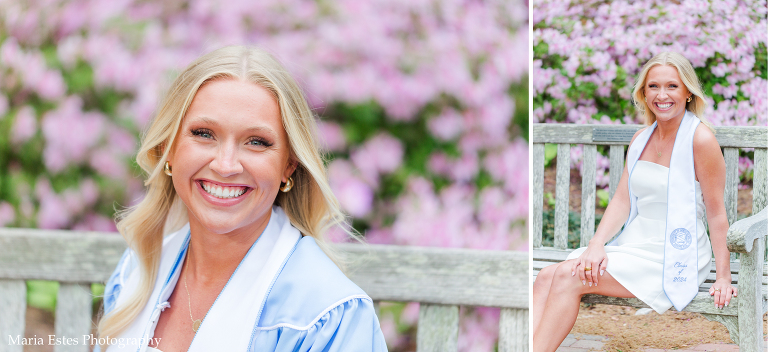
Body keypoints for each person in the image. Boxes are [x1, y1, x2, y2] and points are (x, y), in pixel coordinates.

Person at [96, 46, 388, 351]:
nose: (225, 165)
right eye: (204, 134)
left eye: (257, 142)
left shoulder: (326, 317)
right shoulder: (137, 272)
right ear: (169, 147)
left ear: (289, 165)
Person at [532, 52, 736, 352]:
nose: (662, 95)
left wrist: (723, 276)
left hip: (676, 250)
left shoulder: (700, 139)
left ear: (688, 92)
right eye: (653, 86)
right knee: (546, 276)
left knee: (567, 275)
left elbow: (718, 215)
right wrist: (596, 244)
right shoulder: (641, 139)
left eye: (672, 86)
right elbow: (622, 200)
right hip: (638, 242)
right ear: (643, 92)